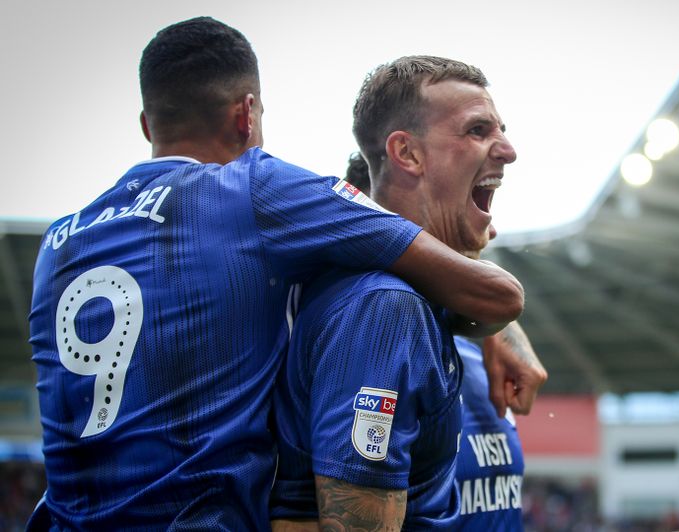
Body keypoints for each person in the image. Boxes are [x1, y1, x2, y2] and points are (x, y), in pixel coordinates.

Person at [27, 18, 532, 530]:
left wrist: (482, 333)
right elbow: (472, 285)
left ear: (146, 125)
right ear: (246, 115)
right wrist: (496, 326)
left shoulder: (61, 241)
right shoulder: (253, 190)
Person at [270, 55, 543, 530]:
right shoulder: (383, 309)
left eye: (501, 130)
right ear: (407, 154)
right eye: (477, 130)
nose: (508, 150)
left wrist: (498, 329)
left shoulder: (433, 311)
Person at [344, 152, 529, 529]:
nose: (490, 231)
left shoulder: (476, 358)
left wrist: (501, 326)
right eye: (460, 207)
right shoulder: (362, 350)